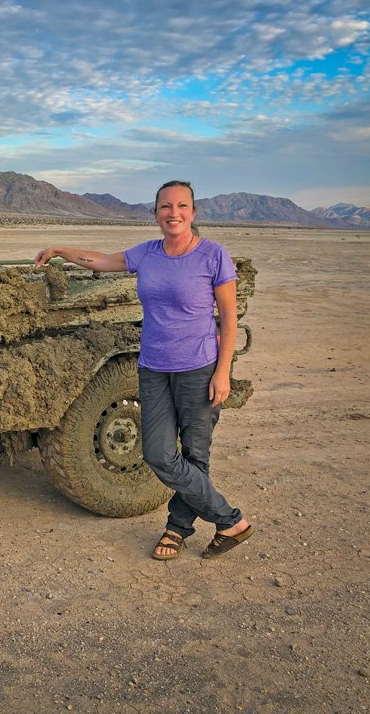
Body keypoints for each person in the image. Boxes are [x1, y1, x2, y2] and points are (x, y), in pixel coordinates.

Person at [35, 180, 253, 560]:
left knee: (195, 454)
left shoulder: (214, 256)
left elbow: (229, 320)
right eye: (166, 206)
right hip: (153, 368)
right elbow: (99, 261)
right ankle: (230, 520)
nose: (174, 213)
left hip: (198, 369)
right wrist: (59, 251)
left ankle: (176, 528)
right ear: (155, 214)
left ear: (193, 212)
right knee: (157, 453)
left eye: (182, 206)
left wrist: (222, 374)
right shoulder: (147, 254)